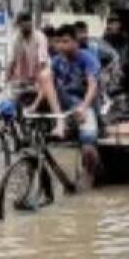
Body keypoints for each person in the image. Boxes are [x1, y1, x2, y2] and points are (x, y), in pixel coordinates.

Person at [37, 24, 102, 184]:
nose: (61, 46)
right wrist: (35, 104)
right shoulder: (57, 60)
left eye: (65, 41)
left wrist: (84, 107)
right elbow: (46, 85)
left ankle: (91, 174)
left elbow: (92, 86)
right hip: (65, 104)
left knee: (88, 149)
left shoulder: (87, 58)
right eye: (58, 42)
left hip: (87, 103)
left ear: (75, 42)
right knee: (45, 75)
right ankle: (60, 122)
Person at [5, 12, 49, 98]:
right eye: (20, 26)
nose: (22, 28)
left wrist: (37, 81)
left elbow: (42, 63)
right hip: (23, 80)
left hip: (40, 79)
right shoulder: (16, 39)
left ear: (30, 23)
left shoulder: (40, 37)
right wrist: (6, 80)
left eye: (25, 24)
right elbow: (12, 61)